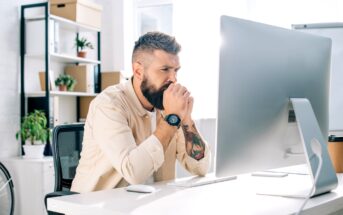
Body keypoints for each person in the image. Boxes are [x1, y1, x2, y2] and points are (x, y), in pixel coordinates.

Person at [71, 32, 210, 193]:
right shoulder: (109, 104)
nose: (173, 79)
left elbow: (201, 167)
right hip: (94, 207)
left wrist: (186, 119)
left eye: (176, 71)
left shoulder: (166, 106)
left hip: (147, 205)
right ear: (138, 71)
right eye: (165, 69)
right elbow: (134, 172)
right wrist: (173, 119)